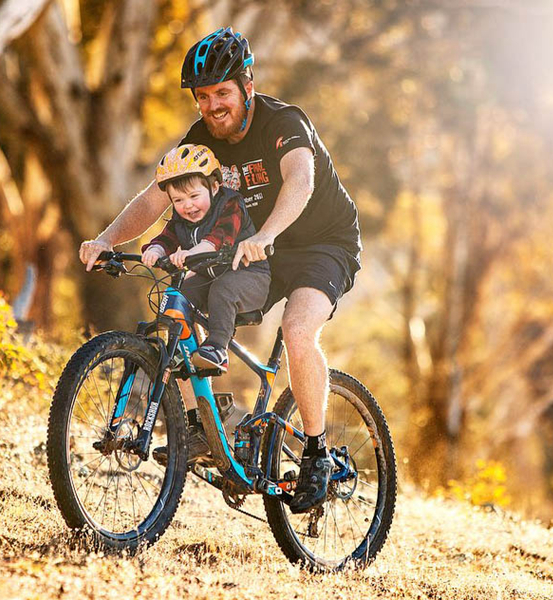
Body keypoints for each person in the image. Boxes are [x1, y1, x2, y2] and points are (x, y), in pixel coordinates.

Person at [79, 27, 362, 514]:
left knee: (297, 331)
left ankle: (317, 454)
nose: (213, 106)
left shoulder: (283, 122)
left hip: (319, 244)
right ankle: (206, 424)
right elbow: (155, 198)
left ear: (247, 86)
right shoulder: (201, 139)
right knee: (186, 305)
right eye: (203, 97)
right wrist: (106, 240)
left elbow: (301, 178)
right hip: (251, 251)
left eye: (223, 93)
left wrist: (266, 234)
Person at [142, 143, 270, 374]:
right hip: (210, 277)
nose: (187, 205)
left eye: (193, 196)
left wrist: (190, 253)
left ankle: (217, 348)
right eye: (178, 200)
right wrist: (156, 250)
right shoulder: (181, 217)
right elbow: (168, 236)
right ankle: (180, 349)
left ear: (214, 186)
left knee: (224, 288)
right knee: (179, 296)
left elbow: (218, 239)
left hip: (250, 276)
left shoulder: (231, 204)